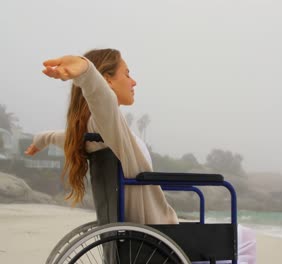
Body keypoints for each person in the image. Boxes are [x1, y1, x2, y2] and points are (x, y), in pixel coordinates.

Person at [25, 48, 256, 263]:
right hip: (157, 240)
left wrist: (40, 140)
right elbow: (101, 100)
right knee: (244, 238)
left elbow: (64, 137)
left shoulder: (90, 134)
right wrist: (86, 71)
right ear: (106, 80)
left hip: (136, 240)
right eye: (127, 73)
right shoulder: (106, 126)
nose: (133, 81)